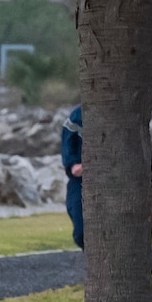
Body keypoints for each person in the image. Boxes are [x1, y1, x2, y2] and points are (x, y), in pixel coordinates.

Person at [62, 105, 84, 249]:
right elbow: (68, 144)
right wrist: (73, 164)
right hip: (80, 180)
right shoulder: (77, 115)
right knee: (81, 232)